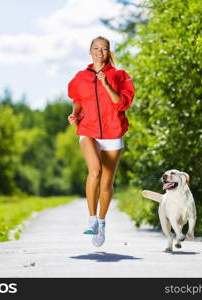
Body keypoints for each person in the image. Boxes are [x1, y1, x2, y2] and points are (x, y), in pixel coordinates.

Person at [67, 36, 135, 247]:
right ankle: (92, 219)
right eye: (96, 48)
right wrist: (74, 115)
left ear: (109, 52)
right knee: (94, 171)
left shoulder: (120, 76)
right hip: (89, 131)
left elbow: (122, 104)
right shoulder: (80, 77)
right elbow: (78, 101)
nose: (99, 52)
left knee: (106, 184)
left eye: (104, 49)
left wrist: (105, 83)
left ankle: (102, 221)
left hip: (113, 134)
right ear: (90, 51)